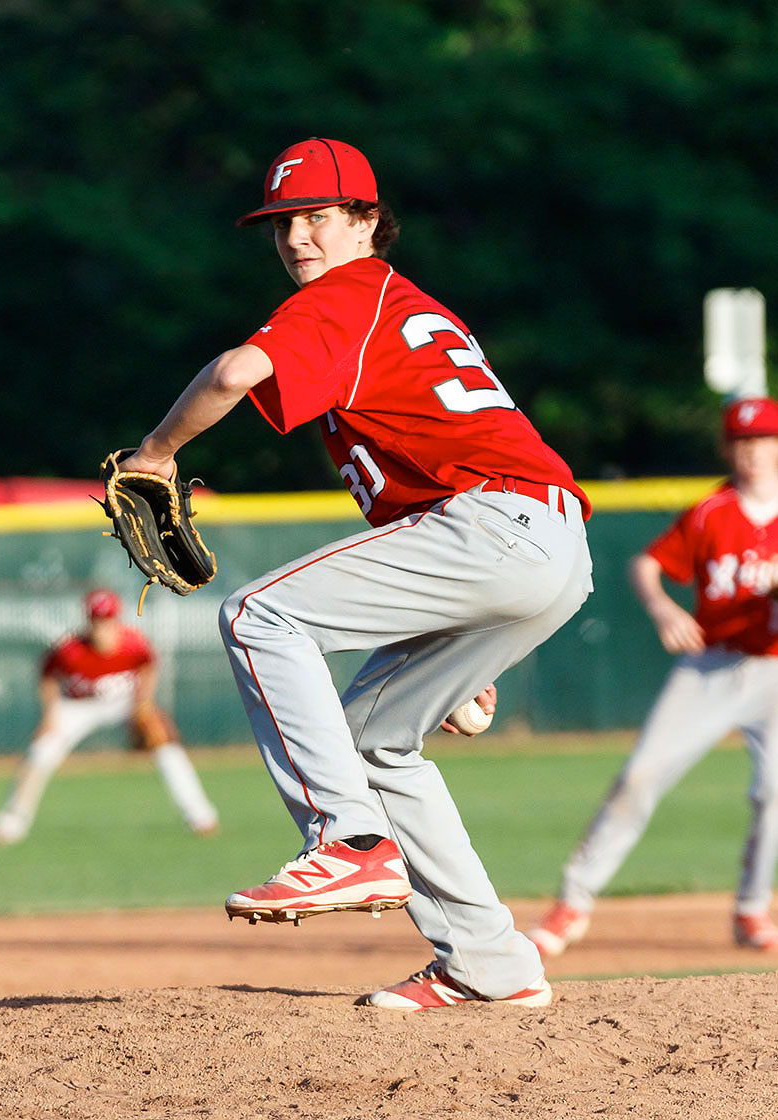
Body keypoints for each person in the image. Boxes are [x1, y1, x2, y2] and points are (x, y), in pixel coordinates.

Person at [117, 137, 593, 1011]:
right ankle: (490, 960)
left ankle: (347, 841)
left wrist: (156, 454)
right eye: (282, 223)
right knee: (378, 739)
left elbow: (234, 371)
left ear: (368, 221)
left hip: (494, 523)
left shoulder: (350, 295)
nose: (298, 237)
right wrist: (453, 642)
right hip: (544, 546)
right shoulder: (399, 307)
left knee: (259, 616)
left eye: (318, 217)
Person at [529, 396, 778, 957]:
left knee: (775, 793)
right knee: (640, 777)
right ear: (726, 448)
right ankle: (572, 903)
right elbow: (647, 563)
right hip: (710, 667)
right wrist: (665, 609)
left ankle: (751, 909)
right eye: (741, 441)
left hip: (775, 672)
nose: (753, 451)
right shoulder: (712, 512)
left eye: (763, 439)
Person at [0, 588, 219, 844]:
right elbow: (48, 677)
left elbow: (148, 667)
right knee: (41, 751)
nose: (102, 627)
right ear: (88, 621)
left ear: (117, 620)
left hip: (124, 702)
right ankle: (12, 822)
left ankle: (201, 816)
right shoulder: (70, 650)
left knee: (166, 746)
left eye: (107, 620)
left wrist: (143, 704)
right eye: (97, 621)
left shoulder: (133, 643)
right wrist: (50, 716)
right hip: (78, 706)